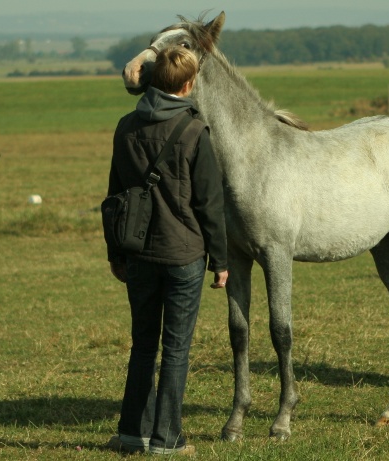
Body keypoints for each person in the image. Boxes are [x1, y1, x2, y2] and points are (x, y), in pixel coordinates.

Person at [105, 46, 228, 456]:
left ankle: (132, 433)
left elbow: (114, 198)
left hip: (137, 253)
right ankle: (167, 438)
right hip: (184, 256)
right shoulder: (195, 130)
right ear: (189, 84)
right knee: (176, 349)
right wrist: (221, 260)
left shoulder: (125, 126)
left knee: (143, 345)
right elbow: (209, 204)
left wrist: (115, 254)